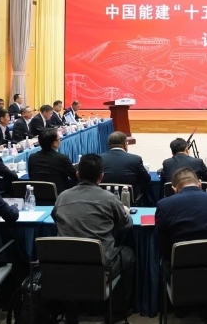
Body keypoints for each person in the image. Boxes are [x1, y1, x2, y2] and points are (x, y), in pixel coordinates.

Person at [52, 154, 134, 323]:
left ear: (77, 174)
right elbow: (126, 225)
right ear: (101, 177)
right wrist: (124, 211)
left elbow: (55, 217)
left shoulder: (62, 196)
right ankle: (116, 312)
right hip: (100, 267)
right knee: (128, 254)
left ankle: (71, 313)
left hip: (65, 267)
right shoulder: (109, 198)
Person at [155, 167, 207, 259]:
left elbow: (162, 246)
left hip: (182, 264)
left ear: (174, 189)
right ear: (200, 184)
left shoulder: (164, 205)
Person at [100, 131, 151, 204]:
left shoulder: (99, 159)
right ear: (125, 144)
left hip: (103, 200)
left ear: (109, 144)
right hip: (129, 201)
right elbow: (147, 179)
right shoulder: (135, 159)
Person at [28, 128, 76, 193]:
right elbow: (75, 176)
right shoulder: (62, 158)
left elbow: (31, 177)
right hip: (59, 195)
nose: (60, 141)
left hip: (38, 194)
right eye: (59, 139)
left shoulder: (32, 157)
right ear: (54, 143)